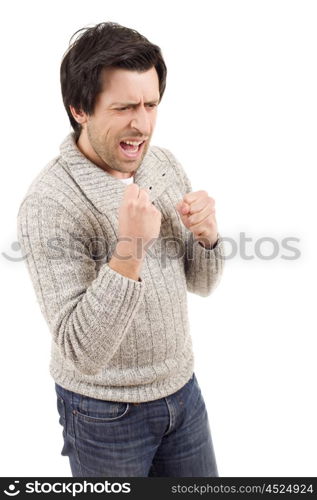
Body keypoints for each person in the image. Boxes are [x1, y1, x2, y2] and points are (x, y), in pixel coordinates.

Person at [16, 21, 225, 477]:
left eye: (151, 105)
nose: (142, 124)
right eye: (125, 107)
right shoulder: (49, 204)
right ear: (79, 110)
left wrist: (207, 237)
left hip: (182, 392)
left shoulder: (163, 164)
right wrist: (129, 248)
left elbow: (203, 283)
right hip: (104, 414)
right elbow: (80, 350)